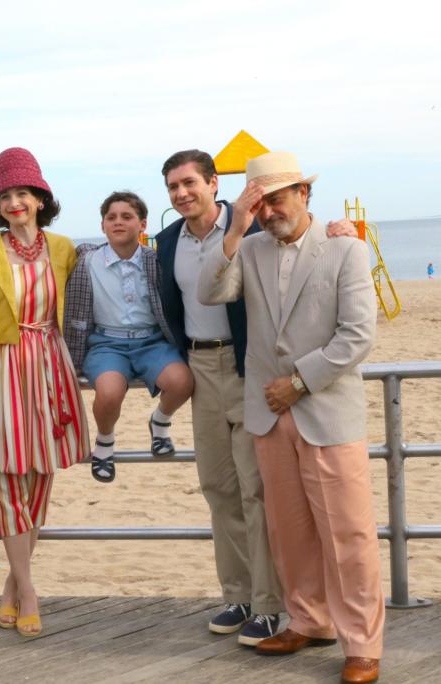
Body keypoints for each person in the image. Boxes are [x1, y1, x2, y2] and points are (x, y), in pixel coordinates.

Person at [199, 151, 383, 684]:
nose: (270, 210)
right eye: (259, 202)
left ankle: (362, 644)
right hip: (268, 415)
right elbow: (213, 292)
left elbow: (357, 336)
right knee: (289, 531)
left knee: (347, 534)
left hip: (324, 410)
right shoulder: (249, 247)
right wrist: (235, 227)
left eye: (277, 198)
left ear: (303, 194)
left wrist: (299, 382)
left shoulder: (345, 247)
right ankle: (309, 620)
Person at [155, 149, 285, 645]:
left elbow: (300, 241)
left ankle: (271, 606)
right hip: (198, 367)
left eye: (189, 183)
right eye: (172, 187)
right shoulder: (167, 242)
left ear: (213, 183)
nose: (182, 193)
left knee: (255, 489)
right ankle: (239, 596)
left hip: (249, 365)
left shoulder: (254, 226)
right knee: (218, 487)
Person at [0, 147, 90, 638]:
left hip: (50, 363)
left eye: (23, 193)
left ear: (41, 198)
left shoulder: (64, 249)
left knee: (40, 473)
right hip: (2, 365)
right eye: (5, 195)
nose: (15, 202)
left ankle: (11, 587)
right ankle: (30, 588)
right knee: (7, 479)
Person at [63, 191, 193, 483]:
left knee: (182, 382)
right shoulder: (86, 262)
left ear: (143, 224)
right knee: (109, 392)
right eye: (111, 217)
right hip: (107, 343)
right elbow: (75, 311)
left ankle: (160, 422)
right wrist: (72, 359)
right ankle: (105, 441)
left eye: (127, 217)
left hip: (152, 341)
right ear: (102, 226)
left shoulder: (157, 260)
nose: (118, 222)